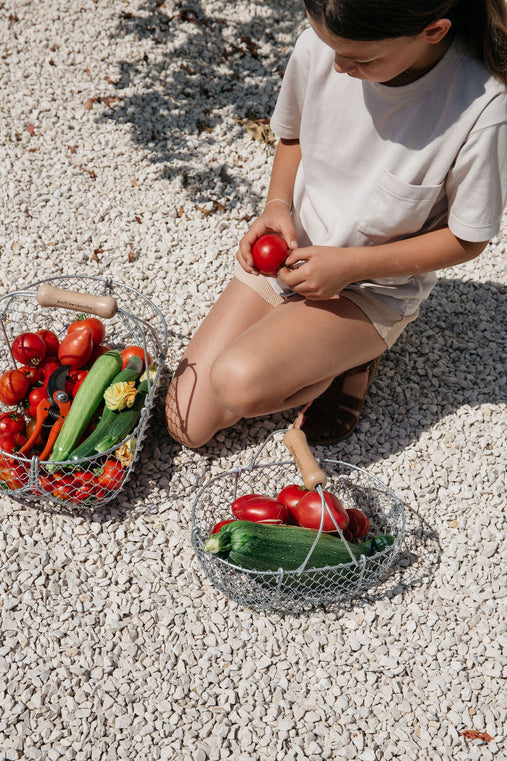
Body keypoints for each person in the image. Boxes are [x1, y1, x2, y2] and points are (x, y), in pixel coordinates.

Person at [165, 0, 507, 449]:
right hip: (287, 260)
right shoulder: (322, 46)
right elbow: (292, 135)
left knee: (234, 383)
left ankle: (351, 357)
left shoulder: (482, 106)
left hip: (371, 289)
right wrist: (276, 206)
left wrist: (347, 267)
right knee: (185, 426)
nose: (340, 67)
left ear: (435, 31)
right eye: (332, 48)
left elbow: (466, 240)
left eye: (362, 60)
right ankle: (310, 344)